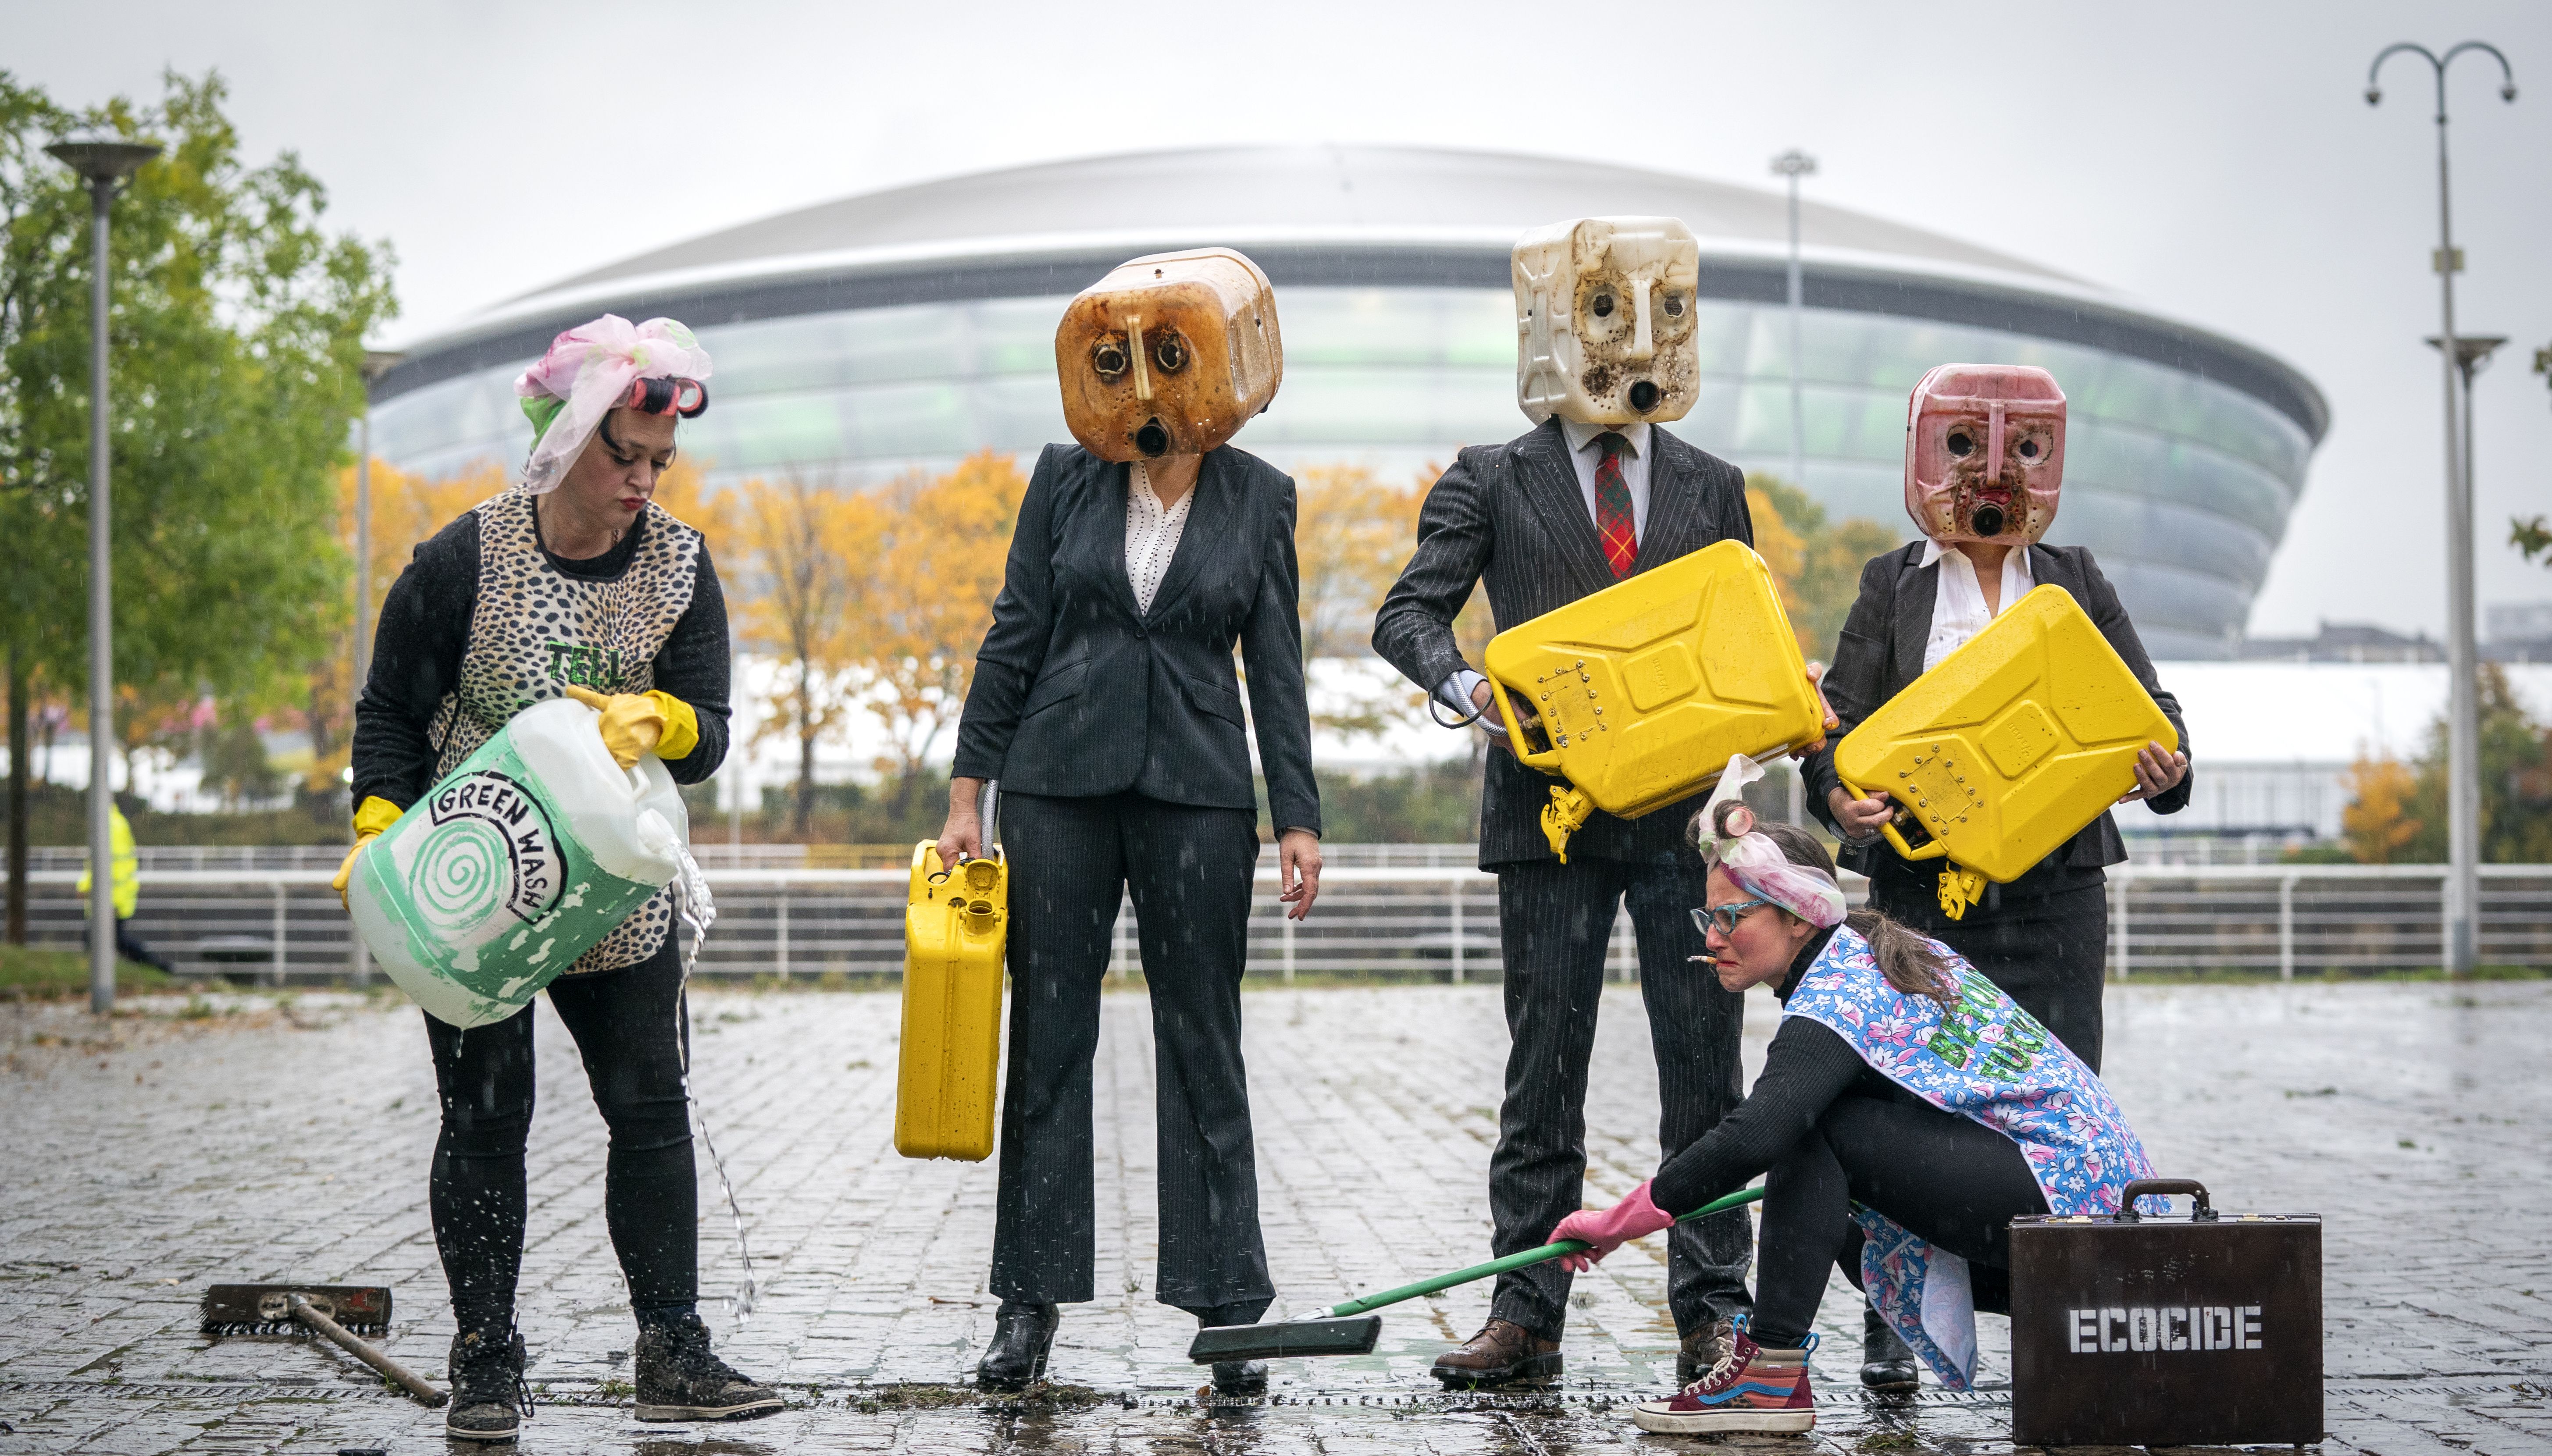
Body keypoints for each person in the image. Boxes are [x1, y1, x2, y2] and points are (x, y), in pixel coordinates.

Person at [341, 315, 774, 1442]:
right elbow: (390, 710)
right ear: (564, 437)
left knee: (648, 1109)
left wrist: (670, 717)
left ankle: (672, 1346)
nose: (640, 480)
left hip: (616, 893)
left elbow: (714, 730)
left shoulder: (681, 566)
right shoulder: (463, 561)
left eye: (657, 463)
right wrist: (380, 823)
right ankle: (487, 1356)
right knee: (485, 1118)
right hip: (474, 881)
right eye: (619, 455)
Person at [1372, 217, 1762, 1388]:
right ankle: (1525, 1314)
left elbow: (1742, 650)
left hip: (1684, 841)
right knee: (1542, 1078)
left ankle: (1710, 1313)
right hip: (1544, 833)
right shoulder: (1488, 477)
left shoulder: (1715, 486)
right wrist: (1463, 683)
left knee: (1705, 1080)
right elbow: (1406, 615)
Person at [941, 249, 1322, 1398]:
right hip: (1055, 783)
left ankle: (1229, 1314)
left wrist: (1295, 816)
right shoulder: (1063, 476)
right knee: (1048, 1044)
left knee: (1203, 1040)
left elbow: (1279, 666)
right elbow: (1013, 633)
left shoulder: (1262, 496)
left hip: (1203, 794)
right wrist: (969, 790)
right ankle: (1027, 1307)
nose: (1150, 391)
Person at [1549, 786, 2161, 1435]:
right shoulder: (1858, 959)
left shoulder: (1840, 991)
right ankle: (1772, 1375)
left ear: (1797, 916)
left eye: (1734, 918)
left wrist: (1616, 1222)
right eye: (1709, 919)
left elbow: (1756, 1135)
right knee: (1831, 1205)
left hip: (2090, 1226)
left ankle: (1769, 1380)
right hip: (2088, 1231)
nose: (1715, 937)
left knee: (1813, 1132)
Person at [1802, 364, 2192, 1077]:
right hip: (1922, 886)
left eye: (2023, 449)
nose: (1993, 470)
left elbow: (2153, 712)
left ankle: (2053, 1194)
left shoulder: (2074, 576)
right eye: (1964, 445)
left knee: (2062, 1083)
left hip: (2059, 893)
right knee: (1929, 1081)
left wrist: (2168, 770)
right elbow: (1836, 729)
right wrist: (1837, 798)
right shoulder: (1890, 583)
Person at [77, 801, 171, 975]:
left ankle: (158, 968)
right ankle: (156, 968)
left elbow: (107, 865)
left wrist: (94, 892)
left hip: (111, 898)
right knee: (112, 940)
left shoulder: (109, 826)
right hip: (114, 897)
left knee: (105, 940)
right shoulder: (115, 823)